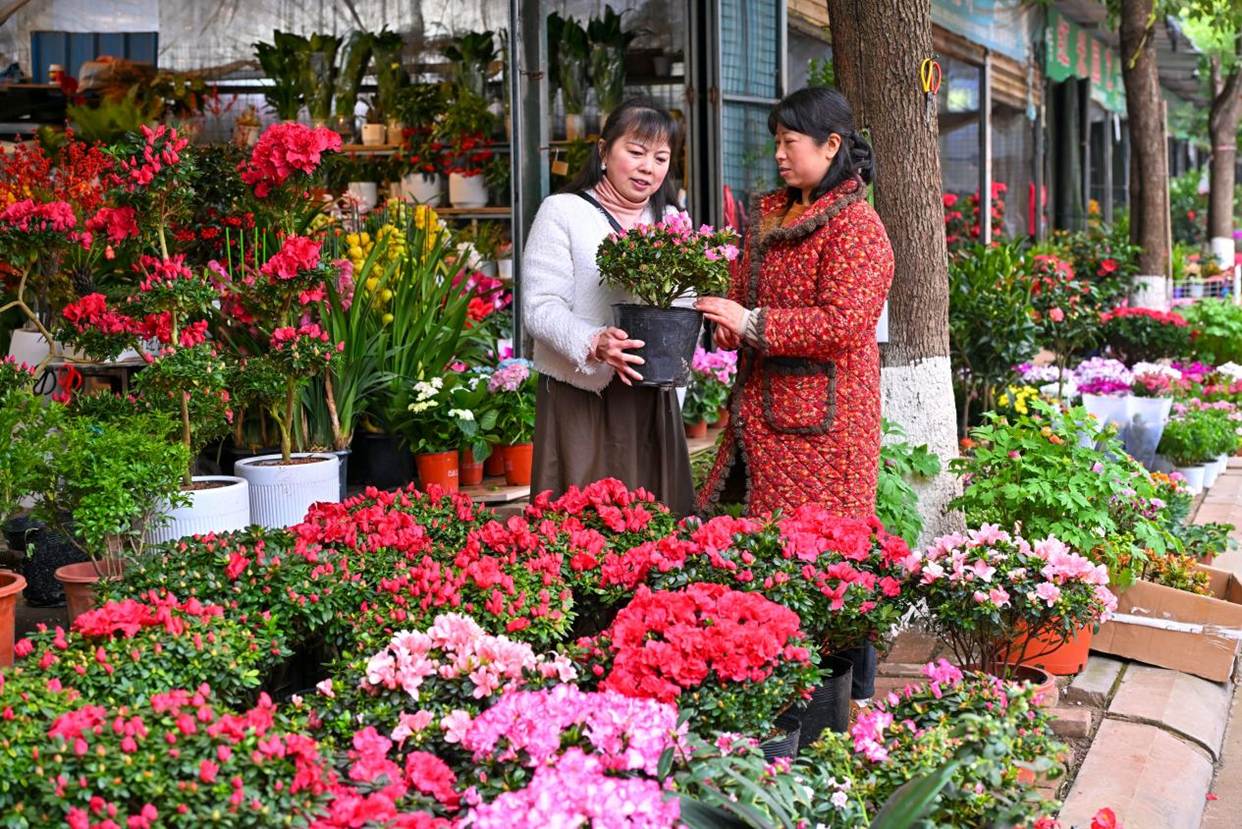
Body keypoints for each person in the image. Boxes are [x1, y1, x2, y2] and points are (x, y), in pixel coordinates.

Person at [695, 86, 895, 702]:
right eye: (775, 142)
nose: (779, 154)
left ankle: (842, 694)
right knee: (776, 551)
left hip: (828, 426)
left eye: (790, 142)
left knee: (827, 554)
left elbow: (843, 323)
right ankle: (784, 682)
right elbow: (741, 293)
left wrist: (752, 321)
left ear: (831, 145)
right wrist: (726, 324)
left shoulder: (857, 226)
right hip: (765, 411)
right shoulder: (770, 213)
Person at [522, 97, 695, 515]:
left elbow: (685, 305)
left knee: (656, 521)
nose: (647, 168)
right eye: (634, 153)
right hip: (581, 394)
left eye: (660, 158)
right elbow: (540, 307)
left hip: (650, 395)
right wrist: (594, 341)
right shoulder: (561, 211)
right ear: (603, 152)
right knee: (581, 524)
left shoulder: (671, 219)